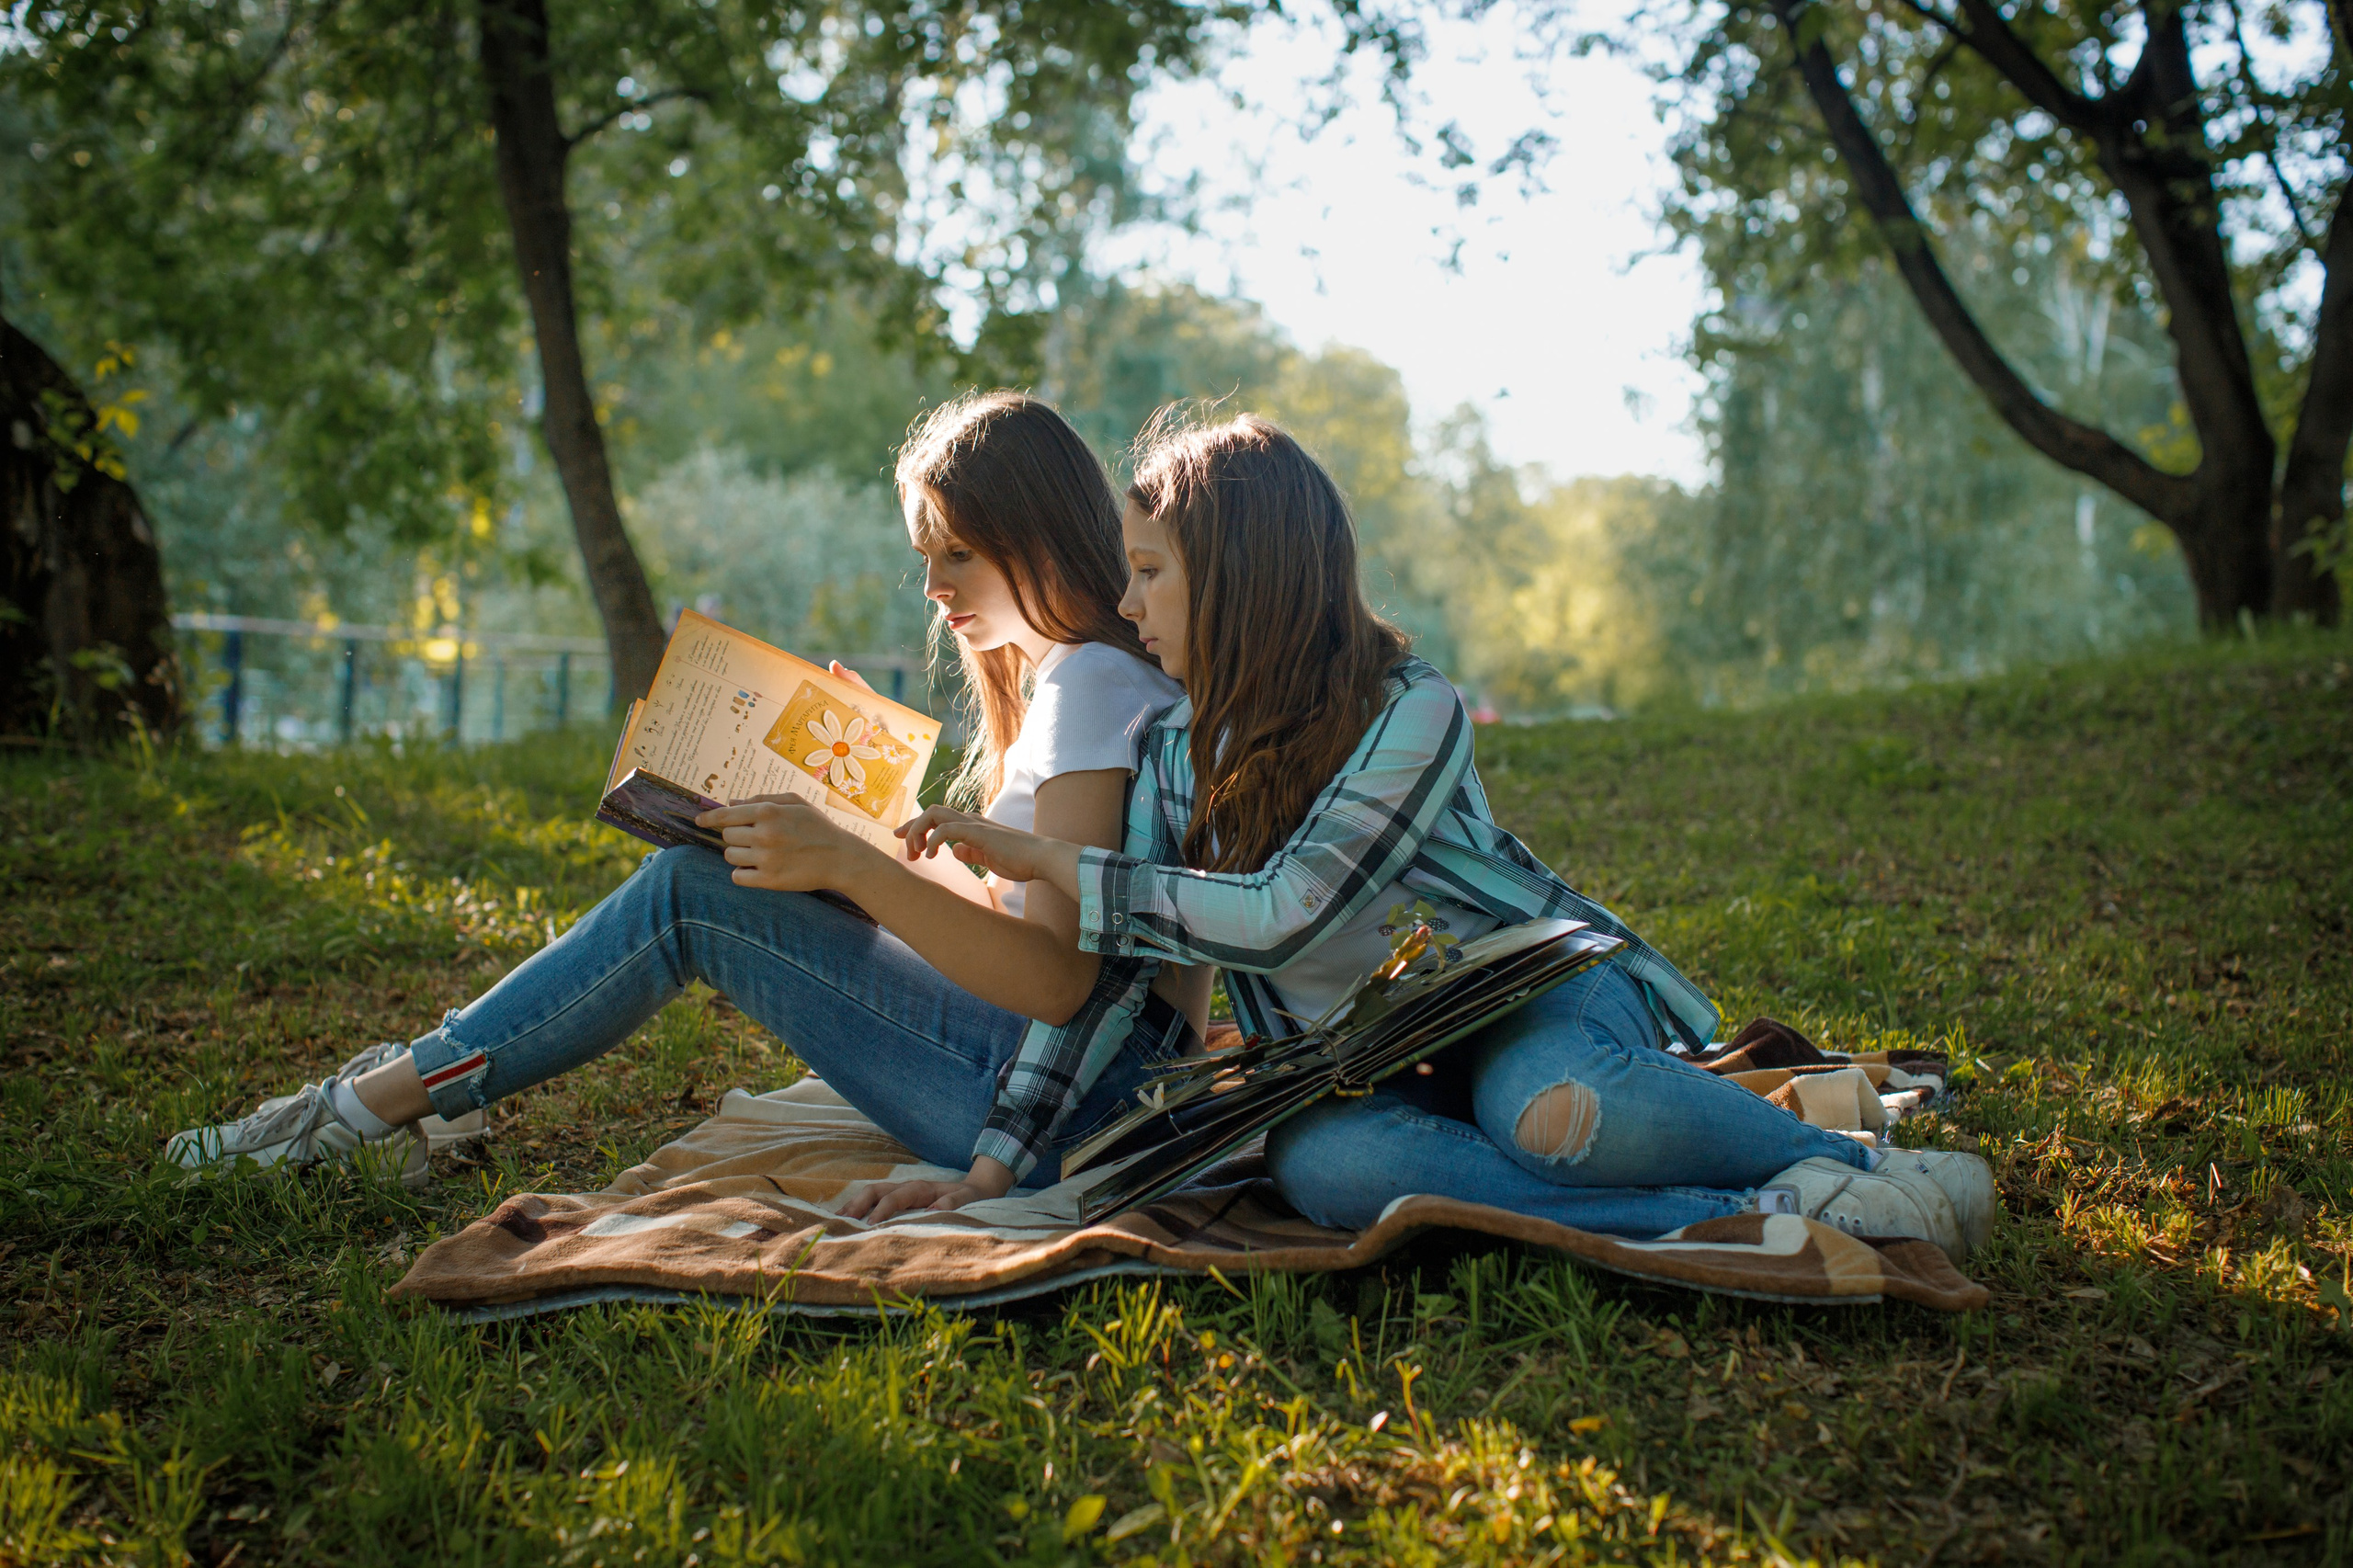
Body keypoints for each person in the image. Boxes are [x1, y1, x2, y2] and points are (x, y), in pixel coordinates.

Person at [899, 410, 1997, 1261]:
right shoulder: (1173, 751)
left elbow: (1286, 914)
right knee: (1326, 1167)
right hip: (1368, 1064)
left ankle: (1838, 1161)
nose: (1127, 606)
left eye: (1149, 572)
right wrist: (998, 1164)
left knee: (1556, 1112)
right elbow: (1118, 975)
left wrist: (1059, 863)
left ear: (1239, 574)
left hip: (1528, 997)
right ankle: (1753, 1207)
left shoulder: (1406, 708)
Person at [169, 392, 1203, 1221]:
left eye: (957, 551)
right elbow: (1041, 933)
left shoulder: (1090, 687)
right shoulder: (1096, 682)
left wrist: (853, 867)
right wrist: (866, 821)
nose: (931, 582)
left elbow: (1060, 982)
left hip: (1075, 1105)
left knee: (689, 894)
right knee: (707, 879)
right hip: (1092, 1080)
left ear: (1036, 533)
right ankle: (398, 1093)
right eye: (924, 552)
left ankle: (357, 1111)